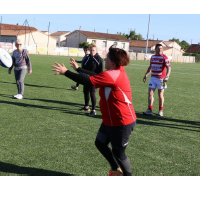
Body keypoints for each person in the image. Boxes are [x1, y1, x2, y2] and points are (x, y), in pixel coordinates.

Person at [52, 46, 137, 176]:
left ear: (113, 62)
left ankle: (128, 177)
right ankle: (115, 170)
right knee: (100, 143)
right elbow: (98, 76)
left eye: (107, 58)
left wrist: (66, 72)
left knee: (119, 153)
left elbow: (88, 81)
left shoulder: (113, 75)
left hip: (122, 121)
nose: (105, 59)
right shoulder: (113, 72)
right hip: (110, 120)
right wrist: (79, 69)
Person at [143, 43, 171, 117]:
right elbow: (150, 67)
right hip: (153, 78)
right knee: (150, 93)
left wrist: (167, 76)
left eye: (161, 48)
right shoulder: (152, 57)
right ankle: (149, 110)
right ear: (155, 49)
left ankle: (160, 110)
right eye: (158, 48)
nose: (160, 50)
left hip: (161, 79)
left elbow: (169, 67)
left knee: (160, 94)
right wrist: (146, 75)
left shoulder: (165, 57)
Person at [75, 44, 104, 117]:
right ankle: (86, 106)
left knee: (92, 93)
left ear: (96, 51)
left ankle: (93, 110)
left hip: (94, 79)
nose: (92, 51)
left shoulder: (99, 59)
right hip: (86, 78)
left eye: (93, 50)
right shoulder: (88, 58)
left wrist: (98, 79)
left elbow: (101, 71)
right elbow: (83, 67)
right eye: (91, 50)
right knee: (85, 92)